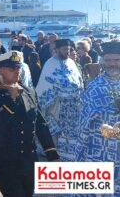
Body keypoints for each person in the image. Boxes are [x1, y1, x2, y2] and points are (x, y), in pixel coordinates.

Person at [0, 51, 59, 197]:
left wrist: (51, 152)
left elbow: (40, 123)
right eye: (11, 69)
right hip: (5, 159)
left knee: (28, 193)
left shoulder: (29, 91)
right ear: (0, 70)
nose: (17, 71)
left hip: (28, 157)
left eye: (18, 68)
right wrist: (12, 97)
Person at [75, 40, 120, 195]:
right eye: (108, 60)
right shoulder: (95, 86)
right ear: (103, 62)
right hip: (101, 148)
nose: (112, 64)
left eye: (116, 60)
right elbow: (83, 123)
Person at [36, 39, 83, 161]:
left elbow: (79, 80)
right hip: (57, 106)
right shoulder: (50, 63)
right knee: (56, 134)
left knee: (73, 133)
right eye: (64, 49)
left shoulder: (72, 63)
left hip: (73, 106)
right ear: (56, 50)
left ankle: (72, 156)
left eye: (69, 49)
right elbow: (44, 86)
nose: (67, 52)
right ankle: (56, 158)